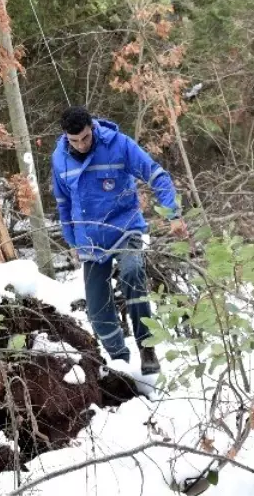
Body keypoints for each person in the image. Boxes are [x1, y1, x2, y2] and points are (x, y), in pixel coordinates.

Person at [51, 106, 188, 376]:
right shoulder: (59, 158)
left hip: (125, 228)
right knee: (97, 308)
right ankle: (119, 360)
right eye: (73, 141)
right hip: (90, 239)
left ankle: (147, 346)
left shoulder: (118, 144)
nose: (80, 145)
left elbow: (156, 174)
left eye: (85, 138)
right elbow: (63, 204)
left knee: (132, 272)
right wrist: (73, 242)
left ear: (92, 129)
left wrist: (173, 214)